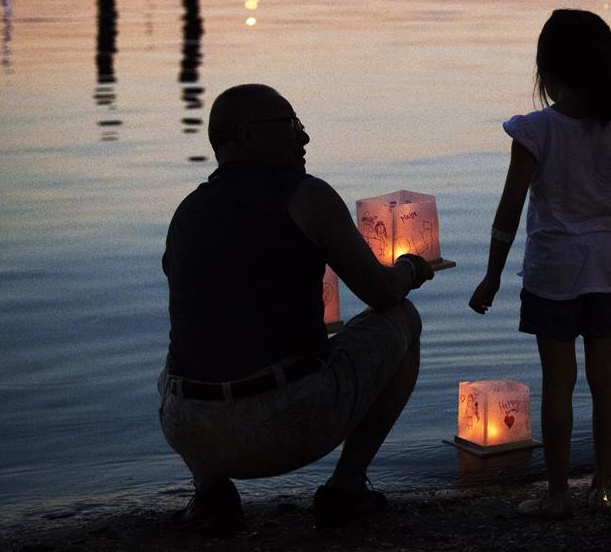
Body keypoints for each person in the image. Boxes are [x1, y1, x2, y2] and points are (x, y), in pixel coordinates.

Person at [159, 84, 434, 534]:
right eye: (291, 125)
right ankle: (346, 489)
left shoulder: (186, 211)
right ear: (246, 135)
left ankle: (212, 495)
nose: (303, 138)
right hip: (288, 426)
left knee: (179, 356)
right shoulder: (307, 196)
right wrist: (409, 268)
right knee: (403, 320)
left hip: (192, 431)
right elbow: (381, 293)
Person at [469, 10, 611, 519]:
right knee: (607, 381)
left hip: (551, 274)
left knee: (559, 384)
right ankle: (604, 487)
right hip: (606, 270)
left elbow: (508, 212)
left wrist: (492, 274)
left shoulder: (535, 132)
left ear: (547, 71)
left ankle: (558, 494)